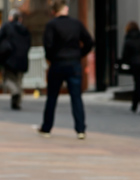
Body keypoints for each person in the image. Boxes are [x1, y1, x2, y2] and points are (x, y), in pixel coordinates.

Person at [39, 0, 95, 140]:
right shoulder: (76, 24)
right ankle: (80, 129)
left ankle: (47, 128)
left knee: (52, 97)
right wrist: (79, 54)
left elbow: (48, 46)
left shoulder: (51, 25)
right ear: (66, 9)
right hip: (74, 63)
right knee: (76, 97)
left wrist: (52, 58)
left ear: (53, 12)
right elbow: (89, 42)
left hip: (57, 63)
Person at [0, 9, 31, 110]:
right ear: (19, 19)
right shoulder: (24, 29)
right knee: (18, 81)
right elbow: (28, 44)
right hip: (22, 59)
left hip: (9, 58)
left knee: (8, 79)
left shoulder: (7, 26)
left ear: (11, 17)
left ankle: (15, 93)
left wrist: (0, 50)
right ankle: (16, 103)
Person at [120, 21, 140, 115]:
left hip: (135, 65)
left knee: (139, 85)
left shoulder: (128, 40)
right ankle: (134, 105)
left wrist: (123, 63)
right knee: (139, 84)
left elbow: (125, 55)